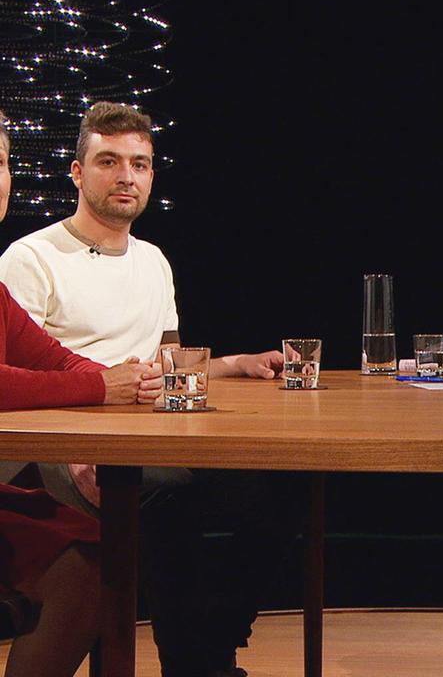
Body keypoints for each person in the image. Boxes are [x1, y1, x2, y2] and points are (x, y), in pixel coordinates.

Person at [0, 101, 303, 677]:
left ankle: (211, 648)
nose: (126, 176)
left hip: (145, 424)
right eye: (109, 161)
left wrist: (235, 363)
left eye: (139, 164)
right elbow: (25, 381)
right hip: (57, 444)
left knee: (279, 484)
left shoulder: (153, 260)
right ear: (77, 172)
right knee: (169, 494)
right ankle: (195, 665)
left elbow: (164, 365)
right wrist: (88, 424)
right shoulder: (31, 256)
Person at [0, 108, 161, 676]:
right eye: (109, 161)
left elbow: (52, 358)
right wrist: (99, 384)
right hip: (26, 462)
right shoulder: (28, 258)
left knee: (92, 556)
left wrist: (120, 382)